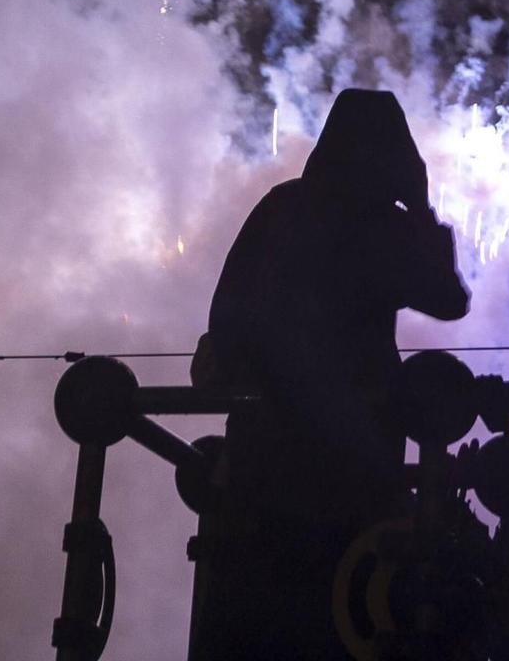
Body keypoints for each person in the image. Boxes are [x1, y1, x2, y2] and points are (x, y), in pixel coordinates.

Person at [190, 90, 469, 659]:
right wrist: (420, 209)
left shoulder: (282, 208)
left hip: (261, 470)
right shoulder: (385, 228)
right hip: (358, 475)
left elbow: (227, 316)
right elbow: (448, 298)